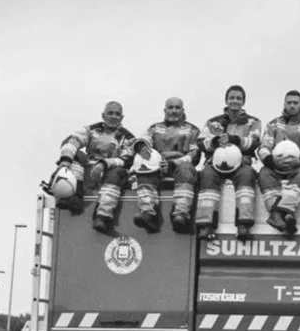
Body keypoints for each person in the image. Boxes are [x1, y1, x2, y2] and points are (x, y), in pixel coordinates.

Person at [52, 101, 135, 234]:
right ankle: (73, 198)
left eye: (117, 114)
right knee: (76, 156)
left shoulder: (128, 137)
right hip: (88, 172)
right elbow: (72, 140)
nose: (113, 116)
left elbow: (127, 160)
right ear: (103, 115)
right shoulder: (91, 130)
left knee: (118, 172)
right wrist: (66, 159)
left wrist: (104, 164)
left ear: (122, 118)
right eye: (110, 113)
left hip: (111, 174)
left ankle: (102, 217)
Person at [195, 85, 262, 241]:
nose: (235, 101)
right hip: (215, 163)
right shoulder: (212, 122)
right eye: (232, 98)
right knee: (206, 175)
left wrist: (234, 139)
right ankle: (206, 225)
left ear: (243, 101)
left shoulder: (253, 122)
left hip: (242, 164)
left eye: (239, 98)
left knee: (248, 176)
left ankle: (244, 225)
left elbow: (255, 143)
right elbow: (200, 143)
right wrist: (215, 141)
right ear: (226, 100)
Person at [131, 97, 200, 234]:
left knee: (187, 169)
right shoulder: (155, 128)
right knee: (144, 168)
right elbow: (145, 139)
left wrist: (173, 164)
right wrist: (140, 145)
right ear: (165, 110)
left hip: (179, 166)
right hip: (157, 166)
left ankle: (181, 214)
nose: (174, 111)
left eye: (177, 107)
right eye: (171, 107)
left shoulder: (192, 130)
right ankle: (148, 213)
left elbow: (194, 155)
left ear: (182, 110)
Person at [257, 90, 300, 235]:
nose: (292, 105)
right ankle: (285, 215)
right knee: (264, 174)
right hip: (275, 167)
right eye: (289, 102)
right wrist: (270, 160)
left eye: (295, 103)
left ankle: (277, 214)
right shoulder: (273, 124)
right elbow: (264, 146)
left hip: (298, 167)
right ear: (284, 104)